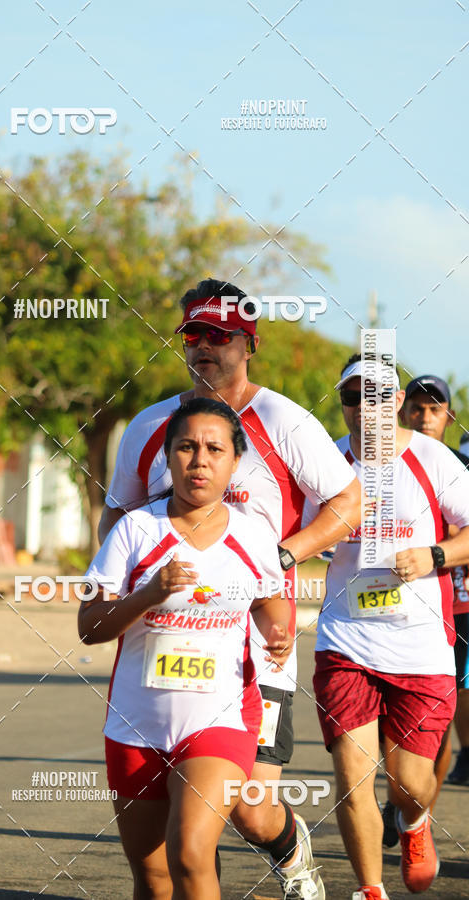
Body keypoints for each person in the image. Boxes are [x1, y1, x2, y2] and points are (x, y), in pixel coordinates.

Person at [99, 278, 362, 898]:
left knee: (248, 808)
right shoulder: (151, 426)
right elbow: (116, 517)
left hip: (256, 646)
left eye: (221, 335)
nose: (205, 346)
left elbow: (350, 502)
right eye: (194, 333)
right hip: (163, 645)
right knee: (186, 839)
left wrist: (281, 557)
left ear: (250, 345)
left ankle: (289, 848)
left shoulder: (283, 421)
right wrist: (123, 583)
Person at [80, 398, 292, 900]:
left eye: (215, 449)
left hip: (220, 719)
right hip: (136, 724)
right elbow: (90, 626)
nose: (200, 460)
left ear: (234, 462)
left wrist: (278, 632)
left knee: (191, 854)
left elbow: (271, 601)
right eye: (186, 447)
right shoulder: (134, 530)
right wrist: (148, 594)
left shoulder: (252, 536)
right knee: (153, 880)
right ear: (168, 457)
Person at [310, 354, 469, 900]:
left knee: (408, 784)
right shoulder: (327, 463)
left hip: (420, 645)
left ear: (396, 401)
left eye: (376, 396)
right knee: (352, 776)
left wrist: (434, 556)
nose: (364, 408)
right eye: (352, 397)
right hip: (346, 640)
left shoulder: (433, 458)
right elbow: (294, 533)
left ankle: (414, 819)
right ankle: (370, 889)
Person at [400, 375, 469, 792]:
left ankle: (419, 808)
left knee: (437, 716)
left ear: (449, 416)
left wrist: (443, 552)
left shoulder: (460, 467)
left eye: (434, 409)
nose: (425, 417)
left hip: (455, 605)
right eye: (417, 408)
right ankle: (402, 796)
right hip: (391, 605)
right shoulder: (383, 464)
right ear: (403, 412)